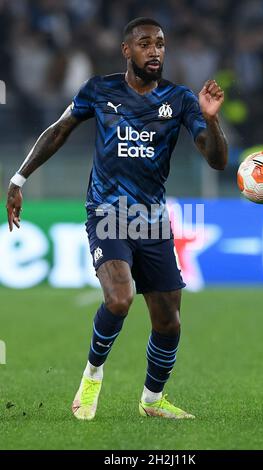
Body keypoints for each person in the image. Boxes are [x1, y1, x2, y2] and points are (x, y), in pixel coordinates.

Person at [6, 17, 228, 420]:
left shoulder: (179, 99)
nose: (155, 51)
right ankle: (92, 376)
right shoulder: (99, 89)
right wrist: (19, 177)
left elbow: (216, 160)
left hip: (153, 220)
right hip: (107, 212)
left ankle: (152, 401)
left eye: (160, 43)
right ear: (127, 50)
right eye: (145, 44)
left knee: (169, 322)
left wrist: (212, 120)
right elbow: (58, 131)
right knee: (120, 298)